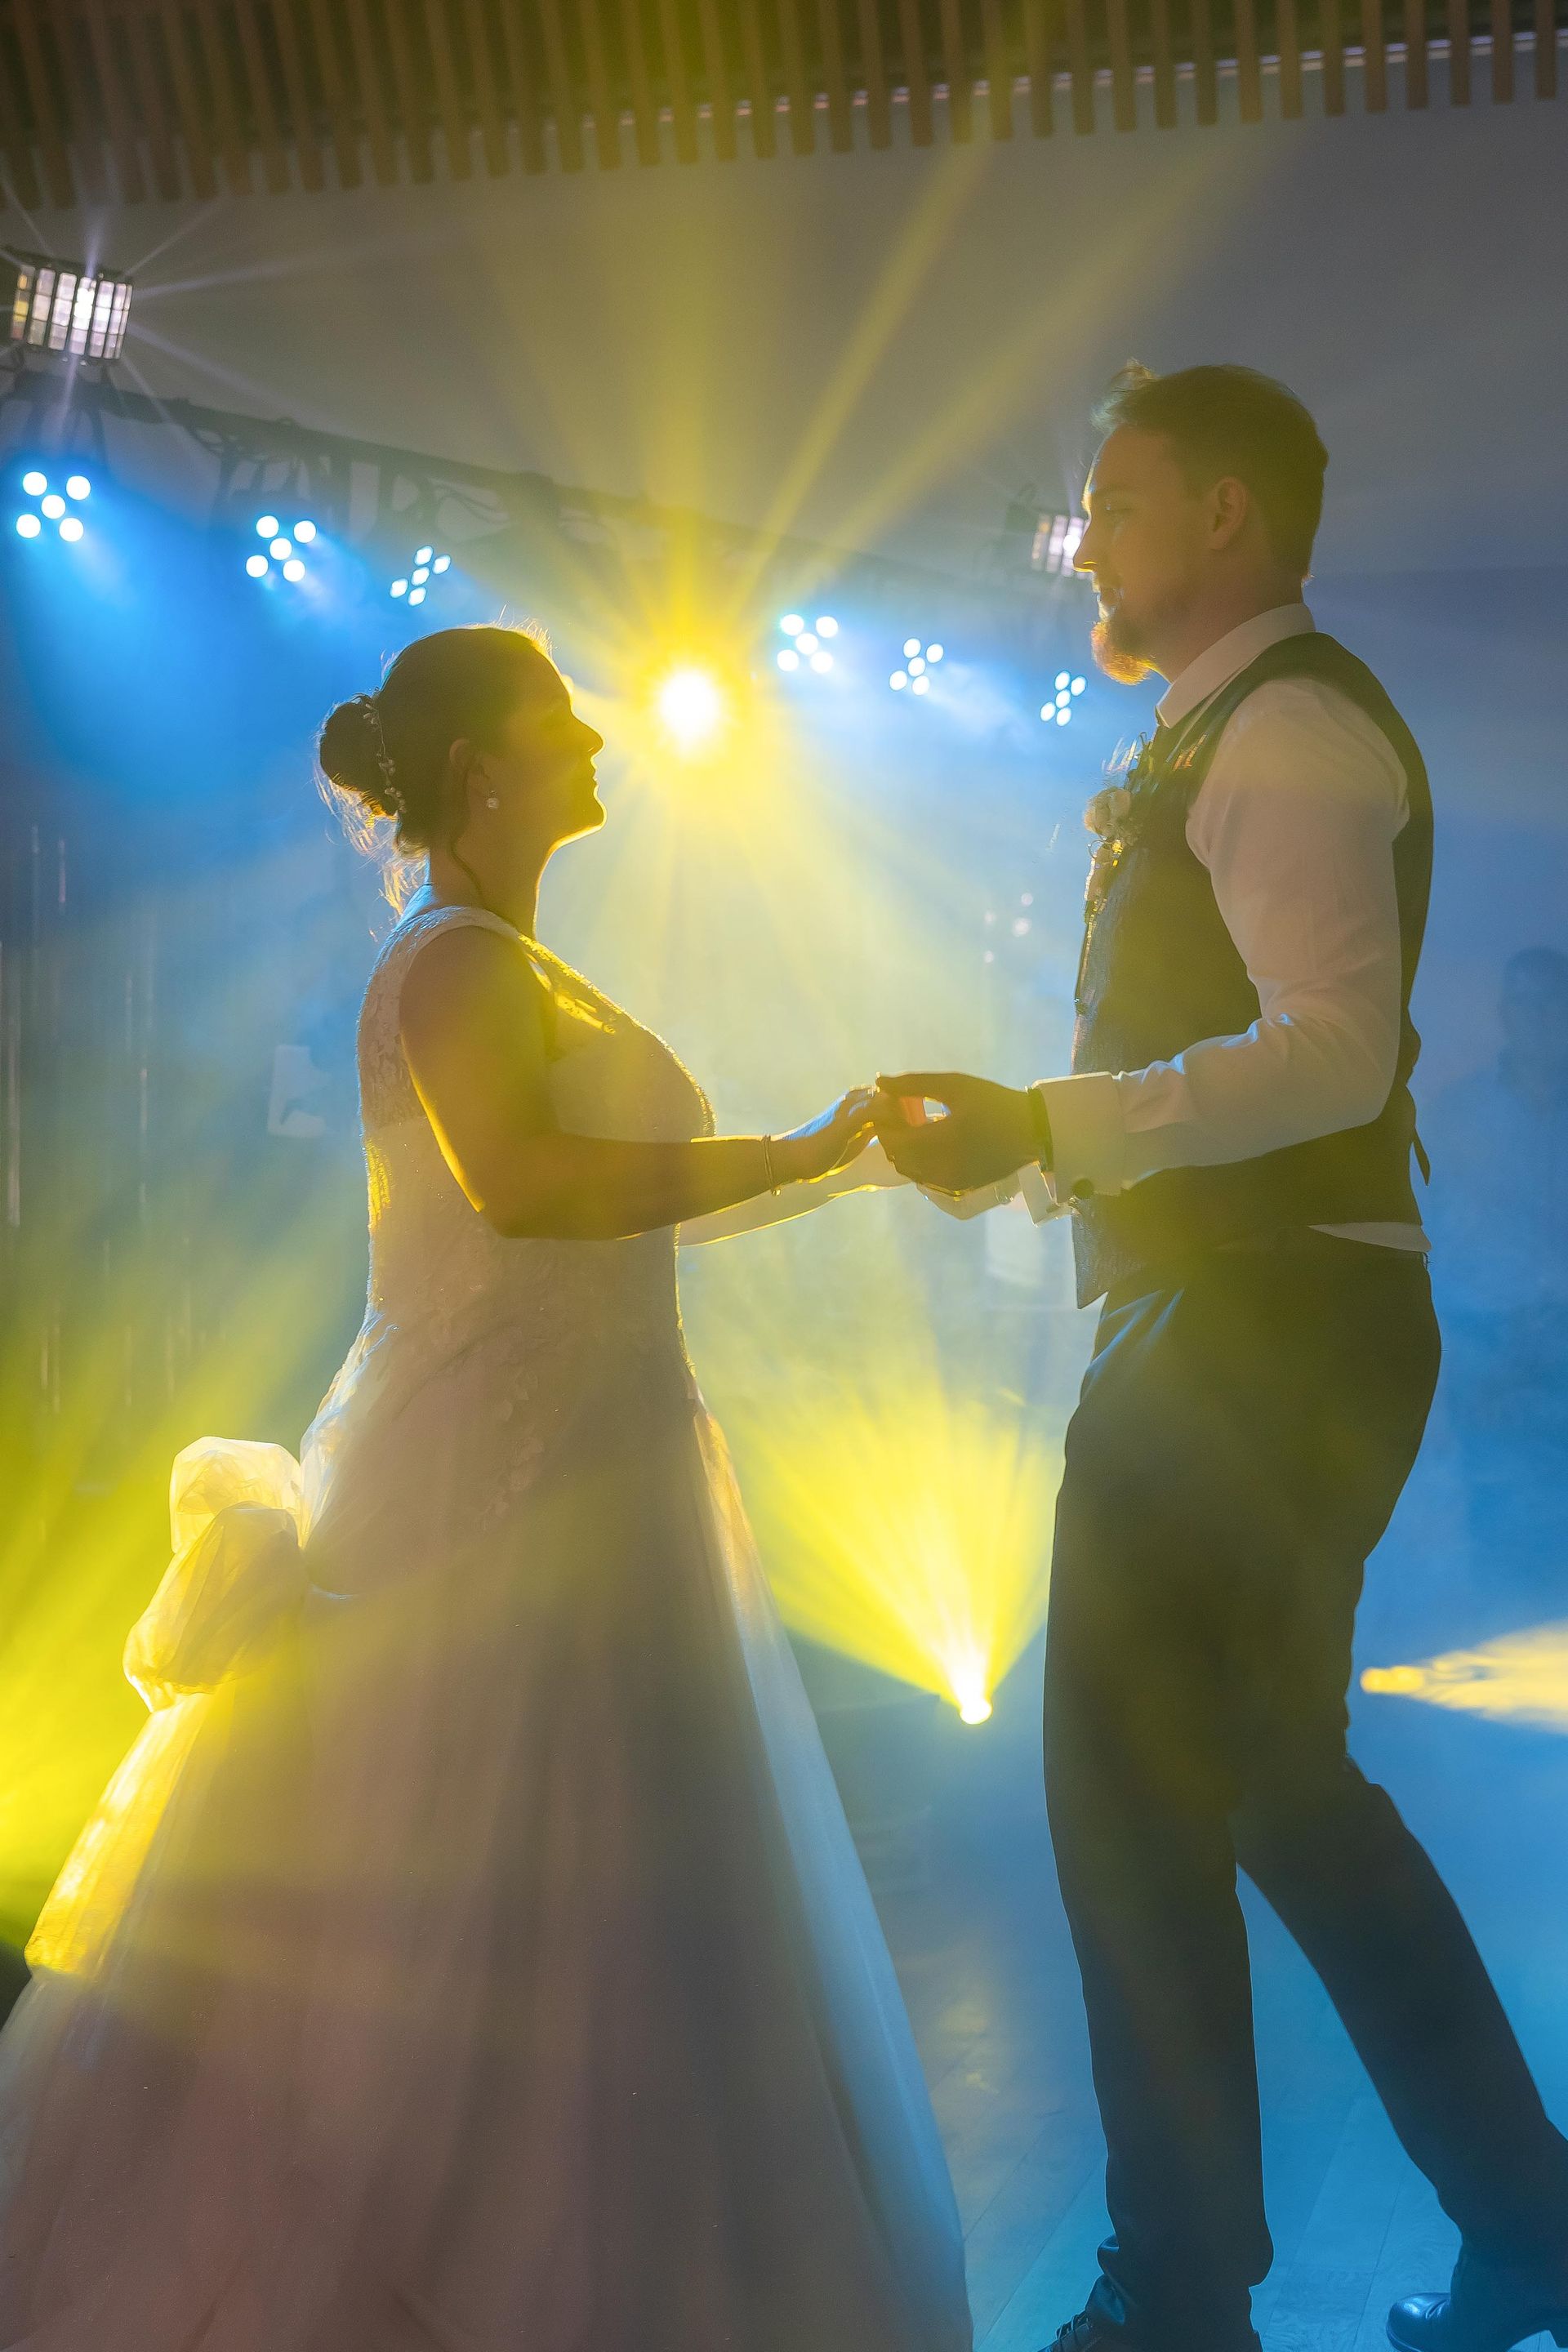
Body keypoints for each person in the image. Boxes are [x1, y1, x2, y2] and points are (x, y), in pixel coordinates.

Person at [0, 624, 973, 2352]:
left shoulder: (515, 960)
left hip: (601, 1467)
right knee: (476, 1879)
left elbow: (607, 1204)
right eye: (561, 723)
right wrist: (803, 1148)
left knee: (610, 1897)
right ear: (481, 772)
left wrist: (836, 1166)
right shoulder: (452, 960)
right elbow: (527, 1187)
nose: (597, 744)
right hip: (486, 1490)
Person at [873, 364, 1568, 2352]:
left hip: (1261, 1329)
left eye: (1116, 501)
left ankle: (1179, 2295)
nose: (1085, 538)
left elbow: (1334, 1050)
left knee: (1127, 1795)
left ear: (1226, 517)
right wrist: (1034, 1147)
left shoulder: (1289, 727)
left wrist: (1052, 1121)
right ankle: (1529, 2223)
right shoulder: (1225, 730)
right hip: (1278, 1315)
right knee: (1275, 1788)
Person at [1422, 947, 1568, 1627]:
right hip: (1489, 1340)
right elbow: (1437, 1232)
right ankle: (1508, 1629)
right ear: (1506, 1013)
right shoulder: (1461, 1114)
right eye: (1522, 1003)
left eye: (1549, 1002)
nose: (1535, 1017)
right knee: (1497, 1498)